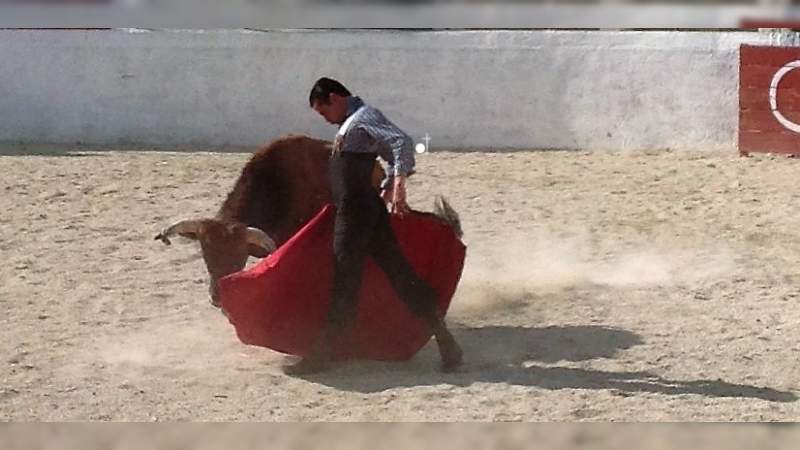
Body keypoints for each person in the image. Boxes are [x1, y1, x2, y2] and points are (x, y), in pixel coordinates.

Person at [282, 77, 463, 375]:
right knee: (400, 274)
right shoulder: (356, 121)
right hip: (366, 209)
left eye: (323, 111)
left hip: (355, 211)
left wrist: (399, 182)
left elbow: (401, 142)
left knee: (345, 278)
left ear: (335, 98)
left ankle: (323, 354)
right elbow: (391, 152)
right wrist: (390, 181)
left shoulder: (364, 117)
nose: (326, 119)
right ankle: (447, 343)